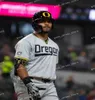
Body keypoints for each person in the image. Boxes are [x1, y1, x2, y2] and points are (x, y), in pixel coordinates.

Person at [11, 11, 59, 100]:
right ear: (36, 23)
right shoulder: (25, 42)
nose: (46, 24)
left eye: (49, 21)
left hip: (50, 86)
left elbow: (51, 68)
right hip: (29, 82)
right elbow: (19, 66)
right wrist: (28, 84)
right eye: (43, 21)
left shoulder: (54, 45)